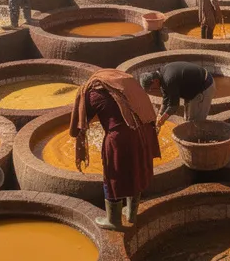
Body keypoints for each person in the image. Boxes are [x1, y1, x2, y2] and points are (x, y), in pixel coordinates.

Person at [69, 69, 161, 230]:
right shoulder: (128, 86)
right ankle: (131, 214)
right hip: (144, 132)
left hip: (120, 140)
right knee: (136, 170)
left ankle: (113, 220)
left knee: (112, 176)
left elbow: (79, 124)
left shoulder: (92, 93)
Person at [140, 62, 215, 129]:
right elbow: (166, 100)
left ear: (154, 81)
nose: (152, 90)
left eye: (151, 88)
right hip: (193, 88)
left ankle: (200, 141)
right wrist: (159, 115)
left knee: (196, 122)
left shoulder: (169, 80)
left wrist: (162, 120)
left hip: (204, 86)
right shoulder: (162, 75)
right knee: (189, 120)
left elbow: (174, 106)